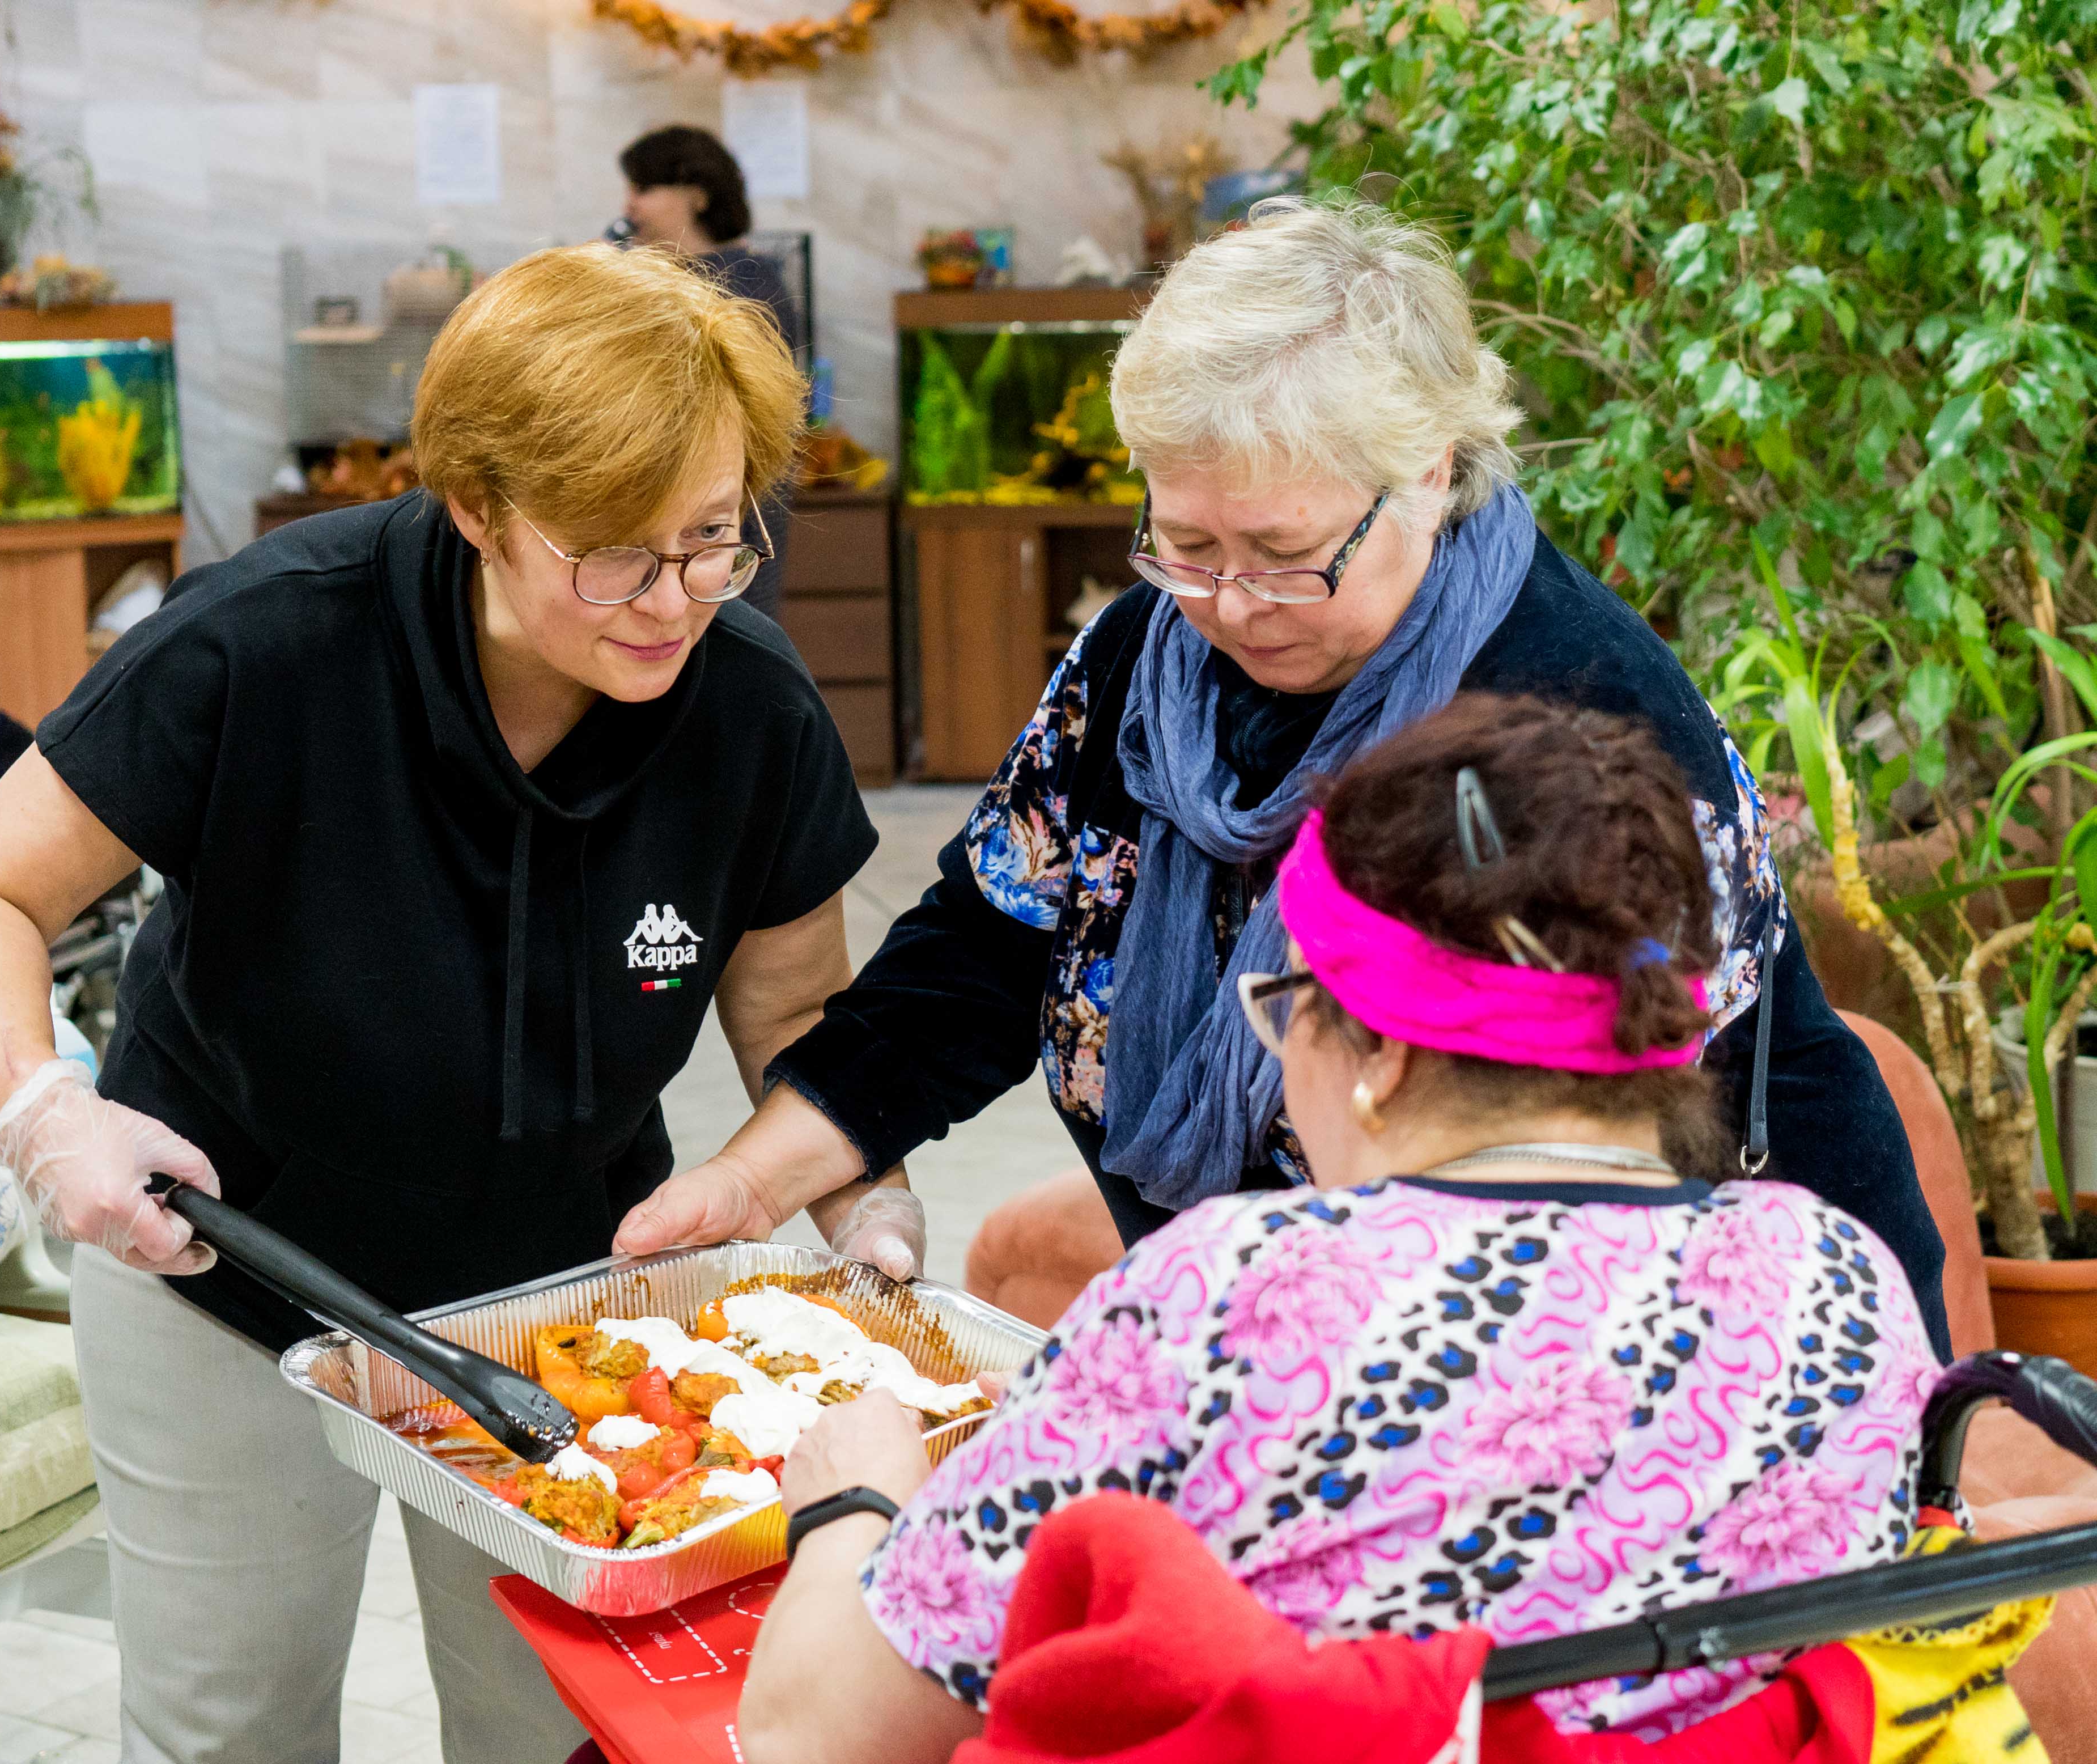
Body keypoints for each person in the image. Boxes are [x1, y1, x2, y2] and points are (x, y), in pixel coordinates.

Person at [614, 194, 1952, 1358]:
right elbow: (985, 944)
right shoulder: (1143, 657)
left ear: (1426, 472)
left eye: (1283, 548)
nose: (1229, 601)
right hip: (1269, 1326)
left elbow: (1635, 1134)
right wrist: (748, 1179)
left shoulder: (1570, 723)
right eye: (1181, 537)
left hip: (1557, 1356)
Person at [0, 244, 918, 1764]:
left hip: (564, 1303)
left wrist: (867, 1194)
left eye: (714, 540)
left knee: (556, 1727)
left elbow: (799, 1013)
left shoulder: (751, 709)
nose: (676, 599)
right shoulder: (270, 638)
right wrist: (46, 1114)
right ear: (480, 507)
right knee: (225, 1721)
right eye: (617, 555)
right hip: (230, 1266)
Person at [736, 693, 1943, 1764]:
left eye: (1285, 1002)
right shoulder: (1837, 1279)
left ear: (1371, 1052)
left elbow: (812, 1734)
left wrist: (854, 1503)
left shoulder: (1222, 1301)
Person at [619, 123, 803, 618]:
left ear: (696, 196)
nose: (628, 207)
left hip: (725, 516)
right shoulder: (663, 276)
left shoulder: (743, 284)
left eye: (643, 189)